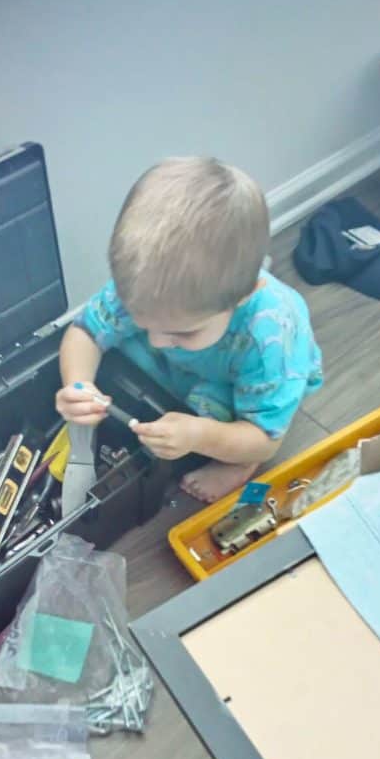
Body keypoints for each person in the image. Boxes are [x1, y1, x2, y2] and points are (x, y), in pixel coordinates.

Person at [56, 156, 323, 503]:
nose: (156, 340)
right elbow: (85, 332)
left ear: (240, 300)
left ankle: (240, 466)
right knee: (116, 357)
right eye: (143, 321)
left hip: (232, 388)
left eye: (182, 333)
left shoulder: (271, 339)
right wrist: (78, 385)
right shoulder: (151, 288)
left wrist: (199, 435)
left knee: (240, 433)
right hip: (188, 367)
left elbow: (265, 436)